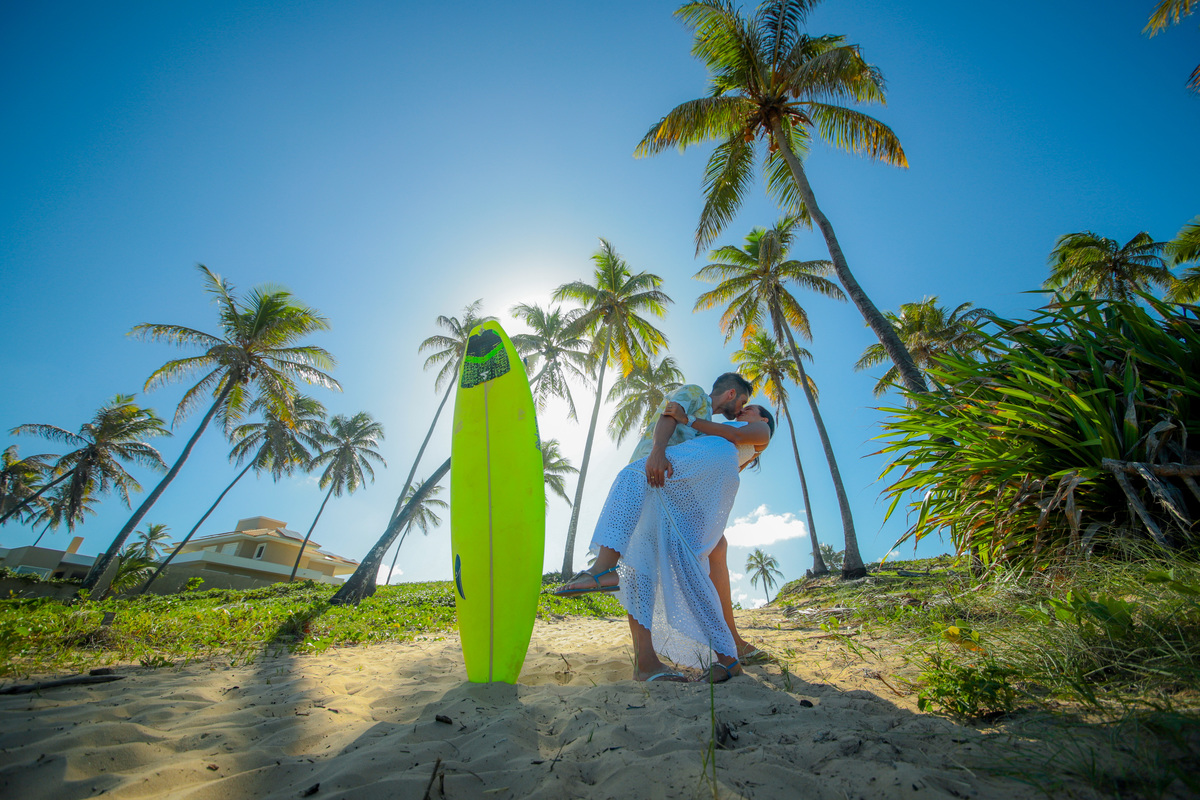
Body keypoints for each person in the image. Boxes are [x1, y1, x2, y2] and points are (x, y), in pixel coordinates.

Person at [557, 393, 775, 683]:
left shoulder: (759, 430)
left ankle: (603, 568)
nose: (742, 411)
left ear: (764, 418)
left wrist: (689, 420)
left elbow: (732, 438)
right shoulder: (728, 436)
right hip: (695, 476)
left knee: (634, 472)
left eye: (749, 408)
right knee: (687, 565)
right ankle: (727, 656)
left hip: (701, 469)